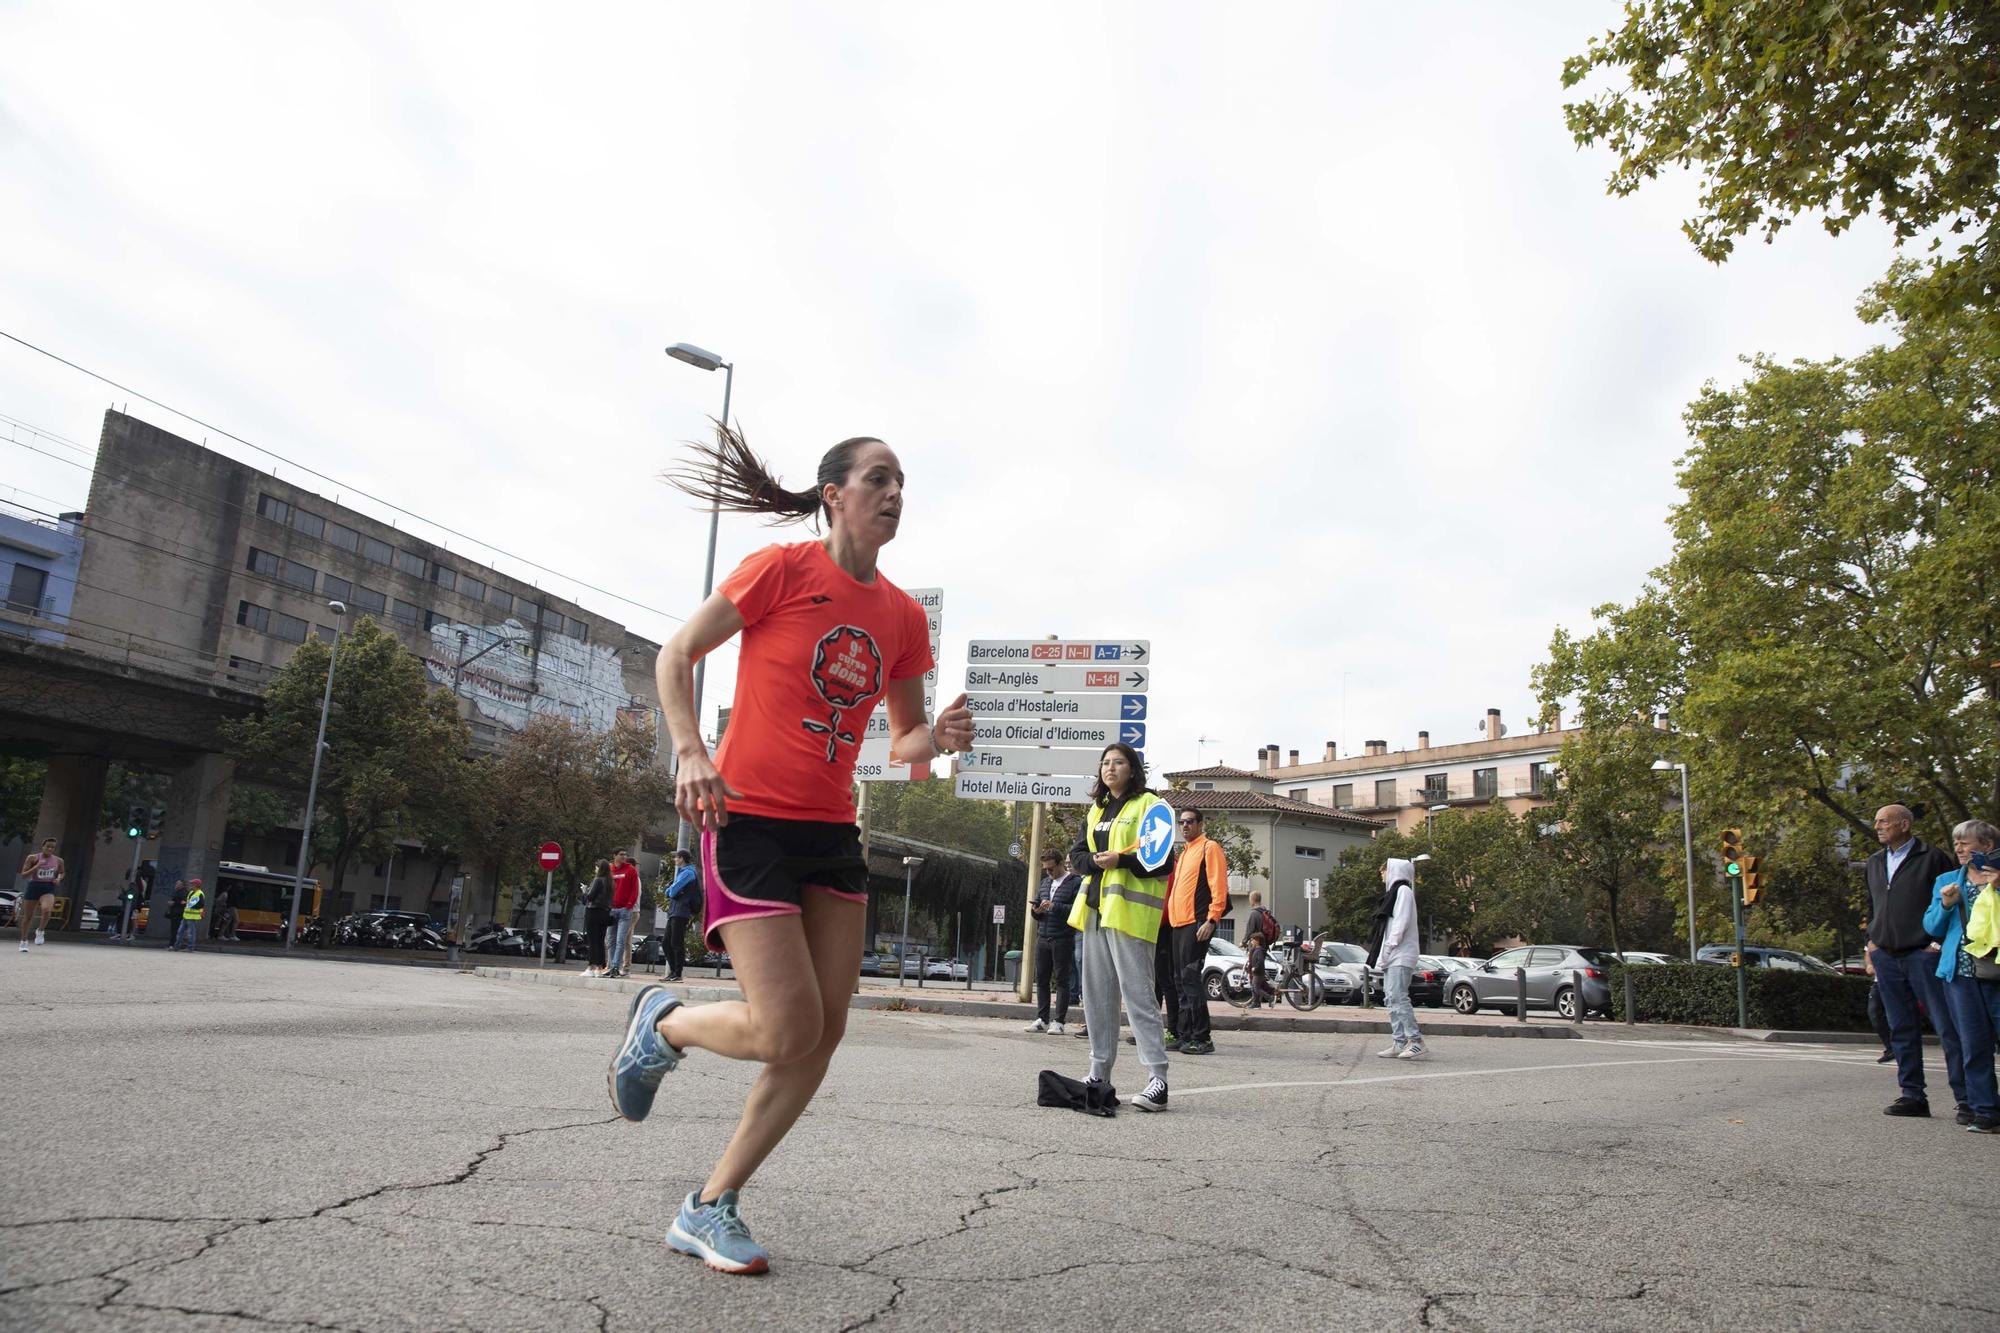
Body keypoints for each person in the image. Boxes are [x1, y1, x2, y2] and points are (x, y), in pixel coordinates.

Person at [606, 428, 974, 1275]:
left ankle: (709, 1204)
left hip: (830, 830)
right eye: (878, 479)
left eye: (902, 482)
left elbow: (907, 735)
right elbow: (676, 654)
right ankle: (664, 1025)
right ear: (833, 494)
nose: (895, 494)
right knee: (784, 1024)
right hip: (749, 819)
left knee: (823, 1031)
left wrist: (939, 736)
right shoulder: (780, 569)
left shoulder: (903, 616)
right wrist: (691, 748)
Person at [1066, 742, 1173, 1112]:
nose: (1110, 768)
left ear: (1132, 769)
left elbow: (1162, 861)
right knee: (1096, 996)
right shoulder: (1095, 809)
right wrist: (1096, 862)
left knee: (1139, 995)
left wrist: (1121, 861)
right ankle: (1099, 1074)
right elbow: (1077, 855)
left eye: (1119, 762)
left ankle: (1157, 1079)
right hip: (1095, 911)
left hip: (1129, 914)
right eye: (1106, 763)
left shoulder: (1150, 806)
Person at [1865, 804, 1965, 1120]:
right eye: (1877, 822)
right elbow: (1873, 906)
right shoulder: (1875, 862)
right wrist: (1871, 943)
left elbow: (1950, 902)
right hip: (1887, 956)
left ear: (1905, 824)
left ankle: (1967, 1099)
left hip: (1922, 954)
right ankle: (1912, 1096)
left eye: (1884, 822)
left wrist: (1936, 944)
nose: (1878, 826)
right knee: (1900, 1028)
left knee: (1946, 1025)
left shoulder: (1933, 858)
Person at [1922, 819, 2000, 1133]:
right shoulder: (1947, 880)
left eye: (1965, 842)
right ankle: (1985, 1111)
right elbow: (1931, 927)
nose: (1959, 848)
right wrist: (1945, 903)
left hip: (1996, 970)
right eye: (1956, 843)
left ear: (1988, 846)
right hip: (1962, 973)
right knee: (1974, 1044)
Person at [1165, 807, 1229, 1055]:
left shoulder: (1208, 847)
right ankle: (1185, 1034)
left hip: (1197, 923)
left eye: (1190, 821)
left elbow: (1218, 885)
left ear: (1200, 824)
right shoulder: (1185, 852)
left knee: (1191, 980)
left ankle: (1202, 1038)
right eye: (1181, 822)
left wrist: (1212, 919)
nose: (1185, 826)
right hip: (1177, 924)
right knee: (1180, 981)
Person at [1368, 857, 1427, 1060]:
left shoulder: (1403, 892)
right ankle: (1399, 1041)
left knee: (1398, 996)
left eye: (1383, 872)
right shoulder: (1393, 894)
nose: (1382, 876)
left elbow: (1399, 924)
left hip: (1401, 953)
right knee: (1390, 997)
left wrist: (1388, 949)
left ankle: (1415, 1041)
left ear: (1393, 871)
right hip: (1393, 954)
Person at [1026, 848, 1081, 1034]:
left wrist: (1054, 906)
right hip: (1043, 936)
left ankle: (1059, 1021)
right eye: (1046, 869)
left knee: (1062, 980)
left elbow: (1077, 909)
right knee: (1041, 979)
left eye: (1051, 869)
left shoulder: (1075, 883)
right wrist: (1037, 911)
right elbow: (1036, 909)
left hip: (1063, 937)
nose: (1048, 872)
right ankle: (1042, 1019)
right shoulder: (1044, 884)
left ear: (1060, 864)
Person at [16, 837, 64, 951]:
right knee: (28, 917)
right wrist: (36, 866)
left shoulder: (58, 860)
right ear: (43, 846)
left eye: (52, 847)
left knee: (47, 910)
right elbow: (23, 875)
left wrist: (58, 879)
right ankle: (23, 941)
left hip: (48, 887)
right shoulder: (33, 858)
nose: (50, 849)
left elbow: (62, 872)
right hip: (34, 886)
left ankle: (40, 930)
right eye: (47, 846)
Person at [664, 849, 701, 982]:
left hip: (682, 911)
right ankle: (673, 971)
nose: (675, 860)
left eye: (676, 857)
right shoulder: (682, 873)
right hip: (674, 911)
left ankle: (678, 973)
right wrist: (669, 890)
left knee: (676, 943)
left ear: (682, 859)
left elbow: (672, 891)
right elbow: (672, 889)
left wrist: (668, 891)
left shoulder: (688, 873)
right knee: (666, 943)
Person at [605, 850, 642, 979]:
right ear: (614, 856)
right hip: (612, 909)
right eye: (621, 854)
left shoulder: (631, 870)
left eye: (625, 855)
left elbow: (635, 889)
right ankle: (610, 966)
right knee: (610, 939)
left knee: (621, 940)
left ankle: (616, 966)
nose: (624, 857)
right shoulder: (609, 869)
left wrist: (628, 905)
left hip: (625, 910)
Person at [582, 859, 613, 977]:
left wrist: (584, 891)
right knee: (600, 941)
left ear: (599, 868)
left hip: (593, 912)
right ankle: (600, 968)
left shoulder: (598, 879)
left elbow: (590, 897)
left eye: (596, 867)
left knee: (593, 941)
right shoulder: (610, 882)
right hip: (605, 913)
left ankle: (591, 966)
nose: (595, 870)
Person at [174, 878, 206, 952]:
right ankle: (177, 946)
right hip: (186, 915)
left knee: (191, 933)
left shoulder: (199, 893)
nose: (190, 885)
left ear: (196, 885)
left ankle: (190, 948)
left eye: (192, 883)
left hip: (192, 916)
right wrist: (187, 903)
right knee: (180, 932)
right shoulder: (191, 892)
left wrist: (187, 904)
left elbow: (201, 905)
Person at [163, 880, 187, 948]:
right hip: (175, 912)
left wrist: (174, 903)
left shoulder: (183, 893)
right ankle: (174, 944)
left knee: (175, 929)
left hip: (178, 913)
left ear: (182, 885)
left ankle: (173, 944)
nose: (176, 885)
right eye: (176, 883)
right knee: (175, 929)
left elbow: (183, 902)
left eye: (177, 884)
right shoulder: (177, 892)